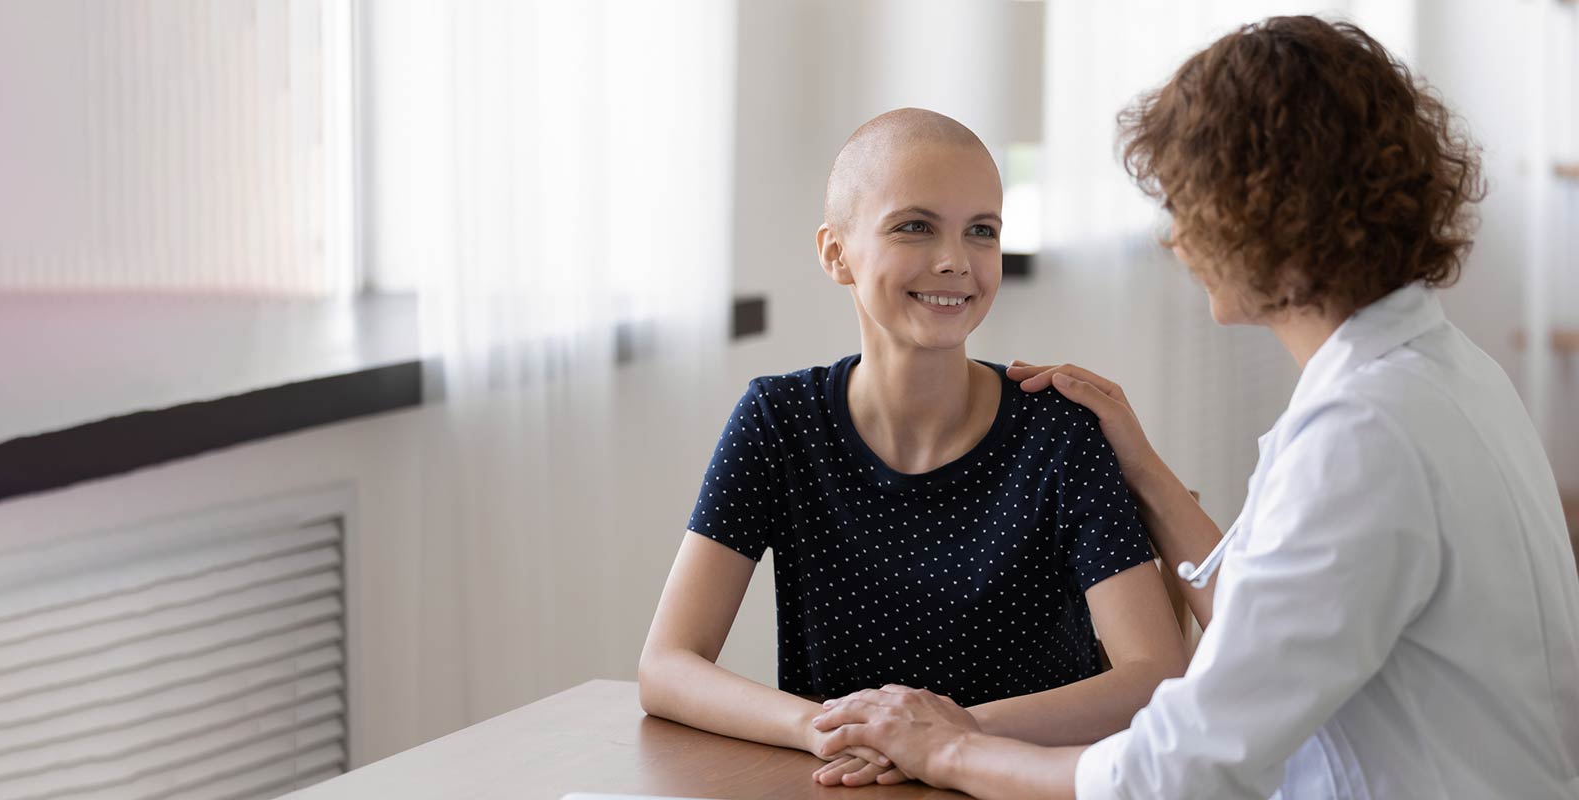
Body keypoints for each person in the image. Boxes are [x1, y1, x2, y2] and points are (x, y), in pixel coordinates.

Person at [811, 16, 1579, 799]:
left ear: (1267, 213)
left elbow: (1179, 768)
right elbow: (1279, 617)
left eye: (1188, 206)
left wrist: (948, 748)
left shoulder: (1365, 434)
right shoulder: (1445, 373)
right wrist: (1144, 471)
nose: (1174, 240)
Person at [638, 108, 1188, 788]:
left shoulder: (1061, 432)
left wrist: (951, 734)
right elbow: (666, 665)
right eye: (915, 226)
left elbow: (1155, 675)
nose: (955, 260)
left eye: (981, 231)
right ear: (836, 252)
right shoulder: (778, 421)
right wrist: (821, 727)